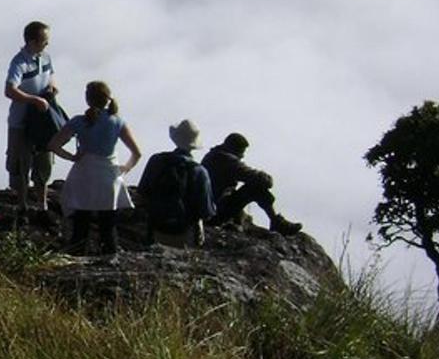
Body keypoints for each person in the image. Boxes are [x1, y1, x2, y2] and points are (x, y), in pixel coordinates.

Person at [46, 81, 141, 255]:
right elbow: (137, 153)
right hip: (108, 174)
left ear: (88, 99)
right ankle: (110, 258)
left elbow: (53, 145)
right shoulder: (117, 122)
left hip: (85, 173)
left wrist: (72, 157)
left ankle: (78, 257)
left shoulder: (79, 121)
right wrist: (125, 168)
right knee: (108, 225)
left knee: (81, 224)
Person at [4, 20, 58, 224]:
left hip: (42, 121)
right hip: (21, 122)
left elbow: (51, 76)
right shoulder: (19, 62)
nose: (46, 44)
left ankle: (42, 207)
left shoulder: (45, 57)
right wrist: (33, 99)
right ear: (33, 41)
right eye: (44, 40)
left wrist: (52, 88)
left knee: (43, 163)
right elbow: (9, 90)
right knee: (20, 164)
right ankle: (22, 207)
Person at [202, 132, 302, 235]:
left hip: (209, 209)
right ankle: (276, 221)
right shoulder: (226, 160)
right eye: (241, 152)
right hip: (217, 212)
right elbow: (255, 178)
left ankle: (274, 221)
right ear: (234, 148)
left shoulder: (212, 155)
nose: (242, 156)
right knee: (255, 187)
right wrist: (265, 177)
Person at [136, 119, 213, 247]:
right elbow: (206, 211)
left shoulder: (156, 160)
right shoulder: (199, 171)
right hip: (185, 232)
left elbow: (143, 192)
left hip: (156, 227)